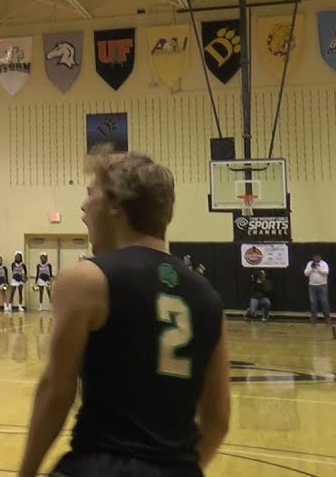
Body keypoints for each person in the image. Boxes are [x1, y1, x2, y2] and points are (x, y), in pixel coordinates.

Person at [16, 147, 231, 477]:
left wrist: (26, 473)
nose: (84, 206)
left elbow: (56, 392)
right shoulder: (208, 297)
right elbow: (217, 422)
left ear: (116, 205)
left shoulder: (86, 279)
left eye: (91, 194)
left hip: (100, 464)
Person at [304, 253, 331, 325]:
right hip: (312, 286)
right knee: (313, 303)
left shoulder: (324, 264)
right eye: (315, 256)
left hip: (322, 285)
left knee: (324, 302)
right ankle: (313, 318)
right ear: (313, 257)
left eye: (318, 256)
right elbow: (306, 273)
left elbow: (326, 273)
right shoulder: (310, 263)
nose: (316, 258)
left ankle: (327, 318)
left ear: (320, 257)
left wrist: (318, 268)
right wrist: (312, 268)